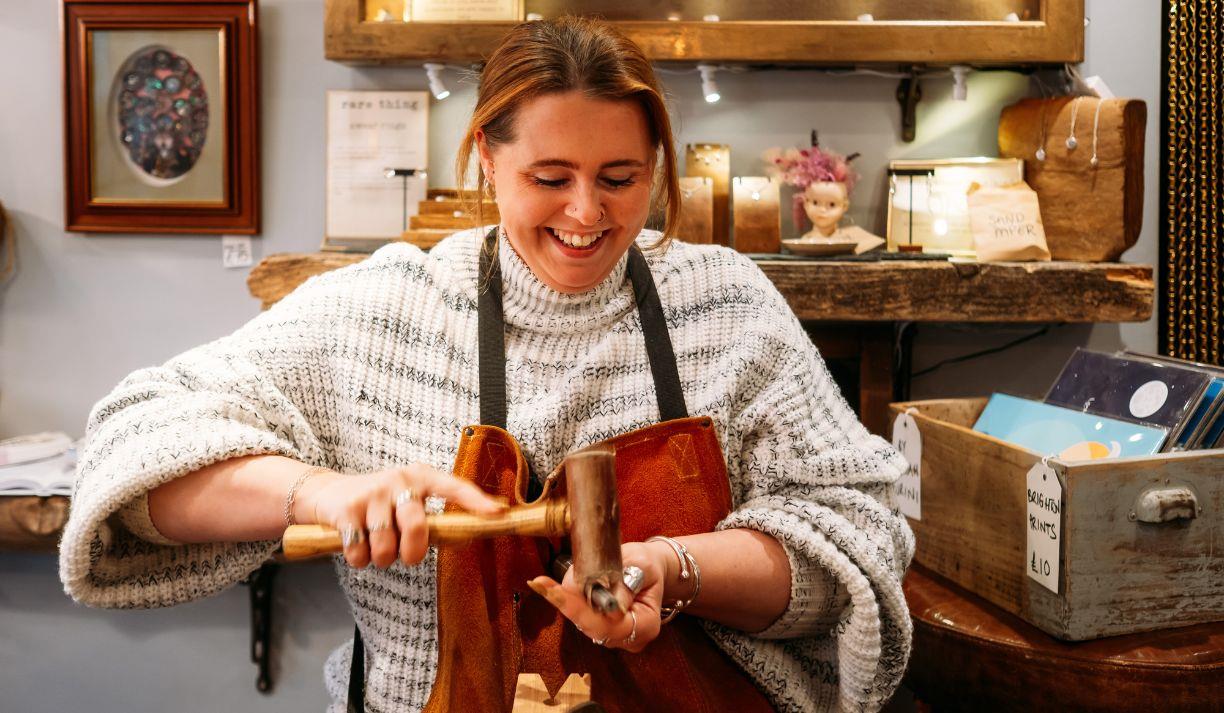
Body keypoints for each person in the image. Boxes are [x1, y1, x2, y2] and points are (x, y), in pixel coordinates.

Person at [59, 16, 914, 713]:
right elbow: (130, 448)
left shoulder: (727, 306)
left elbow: (861, 538)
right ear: (487, 158)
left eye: (620, 176)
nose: (587, 212)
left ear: (655, 165)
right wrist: (321, 489)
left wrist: (675, 570)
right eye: (551, 176)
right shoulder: (390, 312)